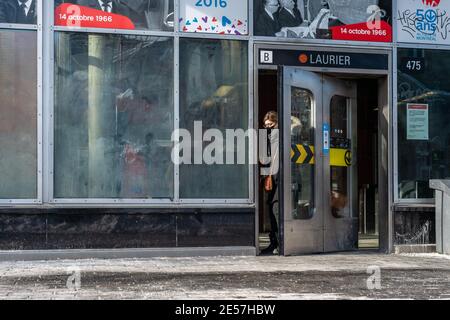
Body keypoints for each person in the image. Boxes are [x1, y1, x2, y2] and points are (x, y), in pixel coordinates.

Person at [261, 111, 280, 255]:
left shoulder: (281, 136)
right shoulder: (266, 139)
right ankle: (274, 242)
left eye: (271, 125)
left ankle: (280, 242)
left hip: (279, 179)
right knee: (271, 211)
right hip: (269, 178)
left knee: (276, 210)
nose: (268, 128)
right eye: (266, 125)